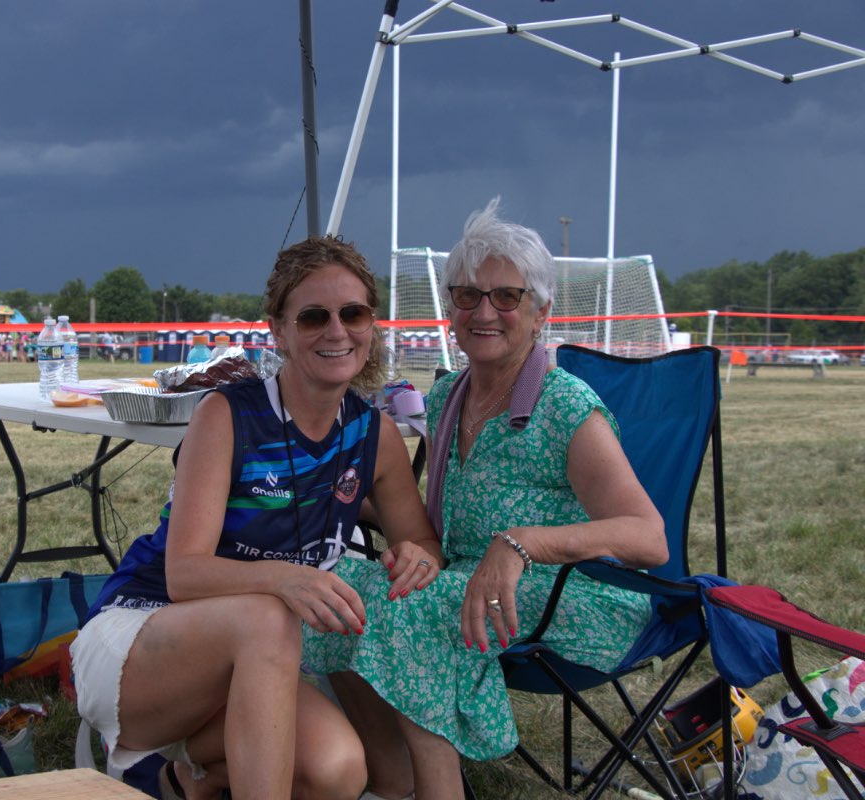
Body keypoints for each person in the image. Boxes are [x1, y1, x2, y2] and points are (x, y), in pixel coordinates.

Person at [304, 198, 667, 800]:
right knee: (339, 586)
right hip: (472, 581)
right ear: (450, 309)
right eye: (467, 296)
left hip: (579, 595)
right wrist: (333, 504)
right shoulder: (450, 396)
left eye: (506, 296)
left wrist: (524, 544)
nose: (484, 311)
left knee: (417, 609)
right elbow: (431, 526)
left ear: (541, 310)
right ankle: (390, 782)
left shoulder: (566, 407)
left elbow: (647, 537)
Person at [70, 236, 444, 800]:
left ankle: (184, 780)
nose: (337, 330)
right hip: (143, 635)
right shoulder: (227, 415)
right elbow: (185, 573)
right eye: (314, 316)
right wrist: (285, 578)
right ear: (279, 329)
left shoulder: (374, 434)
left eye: (354, 312)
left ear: (372, 323)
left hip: (251, 665)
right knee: (270, 616)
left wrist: (420, 555)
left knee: (338, 769)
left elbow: (421, 541)